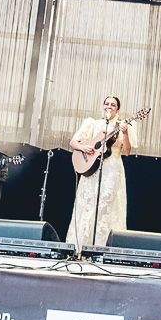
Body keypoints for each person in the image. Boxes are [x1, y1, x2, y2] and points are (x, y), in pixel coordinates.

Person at [69, 95, 133, 252]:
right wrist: (85, 148)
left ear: (118, 109)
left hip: (112, 170)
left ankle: (102, 248)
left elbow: (127, 151)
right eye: (107, 103)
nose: (109, 106)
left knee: (106, 208)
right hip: (92, 168)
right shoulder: (93, 123)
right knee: (88, 205)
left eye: (113, 104)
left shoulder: (123, 125)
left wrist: (125, 134)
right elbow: (73, 142)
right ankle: (80, 246)